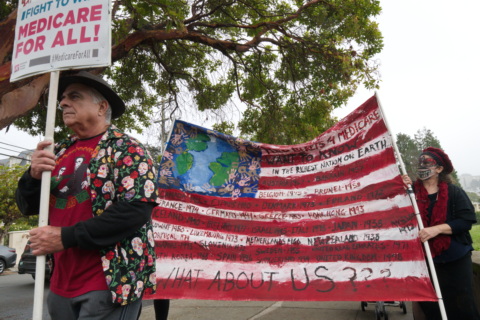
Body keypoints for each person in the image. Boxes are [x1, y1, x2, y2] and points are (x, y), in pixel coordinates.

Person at [16, 71, 159, 320]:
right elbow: (27, 207)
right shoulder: (57, 151)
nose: (62, 103)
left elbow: (135, 210)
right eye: (62, 98)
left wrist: (67, 236)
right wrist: (33, 175)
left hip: (109, 282)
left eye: (74, 96)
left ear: (102, 106)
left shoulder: (127, 148)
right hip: (60, 283)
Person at [403, 147, 479, 320]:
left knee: (462, 305)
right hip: (424, 261)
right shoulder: (410, 192)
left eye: (427, 162)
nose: (422, 166)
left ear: (439, 169)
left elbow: (466, 220)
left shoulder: (454, 192)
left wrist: (437, 229)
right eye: (420, 162)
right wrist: (400, 189)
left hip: (455, 260)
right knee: (431, 307)